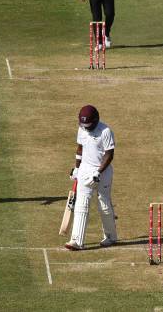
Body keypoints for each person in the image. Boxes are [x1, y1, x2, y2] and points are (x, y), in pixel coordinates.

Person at [66, 105, 117, 250]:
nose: (86, 128)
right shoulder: (81, 129)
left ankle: (111, 236)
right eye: (83, 125)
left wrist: (98, 172)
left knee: (103, 204)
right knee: (81, 204)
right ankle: (76, 240)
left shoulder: (105, 131)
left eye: (88, 125)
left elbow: (109, 154)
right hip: (85, 170)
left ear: (96, 120)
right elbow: (80, 149)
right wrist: (76, 168)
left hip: (102, 171)